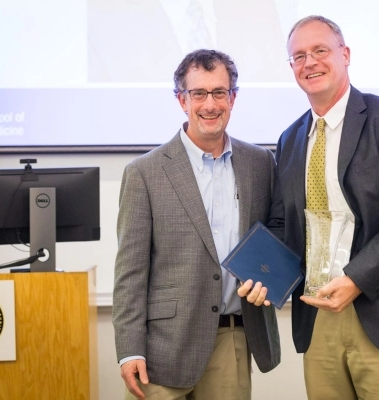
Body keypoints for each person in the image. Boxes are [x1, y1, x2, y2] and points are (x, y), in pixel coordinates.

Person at [239, 15, 379, 400]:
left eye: (320, 50)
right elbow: (282, 223)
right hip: (320, 312)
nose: (310, 62)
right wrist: (259, 273)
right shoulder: (290, 139)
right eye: (298, 56)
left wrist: (356, 278)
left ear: (345, 54)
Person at [112, 49, 280, 400]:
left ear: (233, 98)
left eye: (219, 92)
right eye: (198, 93)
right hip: (163, 347)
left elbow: (275, 233)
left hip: (233, 336)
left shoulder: (261, 164)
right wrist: (129, 349)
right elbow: (130, 271)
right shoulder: (145, 173)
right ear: (181, 100)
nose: (210, 104)